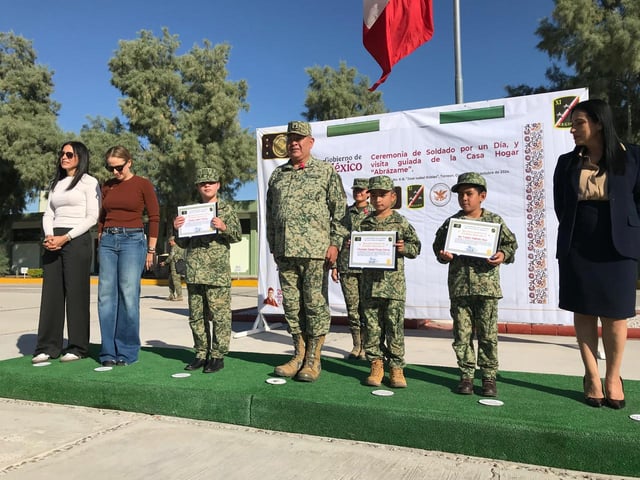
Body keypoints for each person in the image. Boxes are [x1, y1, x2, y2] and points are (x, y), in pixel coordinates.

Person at [553, 99, 640, 409]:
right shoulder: (566, 163)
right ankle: (591, 376)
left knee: (617, 315)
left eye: (579, 123)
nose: (573, 129)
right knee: (584, 309)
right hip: (579, 243)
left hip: (619, 244)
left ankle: (614, 377)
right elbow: (561, 205)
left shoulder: (632, 157)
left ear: (599, 123)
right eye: (572, 124)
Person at [266, 120, 347, 382]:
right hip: (286, 252)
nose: (294, 143)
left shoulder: (325, 171)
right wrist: (274, 247)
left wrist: (335, 242)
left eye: (300, 138)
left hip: (315, 252)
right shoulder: (278, 175)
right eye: (291, 139)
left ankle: (313, 359)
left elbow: (340, 213)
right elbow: (270, 216)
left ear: (310, 142)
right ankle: (297, 354)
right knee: (291, 307)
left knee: (314, 306)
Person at [432, 172, 517, 397]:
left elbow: (511, 244)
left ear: (482, 196)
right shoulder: (452, 223)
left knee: (488, 335)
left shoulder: (494, 222)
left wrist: (503, 254)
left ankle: (488, 378)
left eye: (469, 194)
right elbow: (438, 247)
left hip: (486, 288)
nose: (464, 199)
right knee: (462, 335)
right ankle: (466, 376)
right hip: (460, 287)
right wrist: (444, 256)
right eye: (460, 195)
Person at [32, 142, 100, 364]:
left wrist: (66, 237)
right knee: (51, 294)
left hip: (76, 240)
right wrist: (50, 236)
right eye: (62, 153)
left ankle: (78, 347)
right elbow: (48, 214)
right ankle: (47, 347)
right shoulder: (57, 184)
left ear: (80, 157)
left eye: (69, 154)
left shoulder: (90, 182)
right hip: (53, 240)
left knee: (76, 294)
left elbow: (92, 217)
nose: (64, 157)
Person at [173, 167, 241, 373]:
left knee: (220, 317)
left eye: (211, 182)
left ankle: (218, 356)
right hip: (195, 271)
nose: (207, 185)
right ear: (198, 187)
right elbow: (182, 244)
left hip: (217, 272)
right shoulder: (189, 212)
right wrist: (177, 230)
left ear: (218, 185)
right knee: (196, 316)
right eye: (203, 183)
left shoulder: (226, 209)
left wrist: (224, 227)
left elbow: (237, 236)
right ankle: (201, 354)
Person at [97, 145, 160, 367]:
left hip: (133, 241)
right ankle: (107, 352)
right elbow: (102, 216)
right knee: (105, 297)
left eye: (119, 167)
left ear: (129, 162)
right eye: (110, 168)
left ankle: (127, 351)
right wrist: (100, 237)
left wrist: (151, 250)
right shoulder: (107, 186)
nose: (115, 172)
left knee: (128, 295)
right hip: (107, 241)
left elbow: (154, 217)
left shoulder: (143, 184)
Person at [360, 176, 421, 388]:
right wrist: (354, 248)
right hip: (369, 286)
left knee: (394, 328)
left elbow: (416, 247)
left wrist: (405, 249)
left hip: (393, 287)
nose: (378, 199)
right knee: (372, 328)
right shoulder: (364, 223)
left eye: (382, 195)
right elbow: (357, 251)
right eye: (374, 195)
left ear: (393, 197)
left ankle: (396, 368)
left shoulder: (401, 222)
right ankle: (376, 365)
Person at [331, 178, 371, 359]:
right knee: (352, 308)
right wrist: (334, 266)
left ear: (368, 193)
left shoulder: (374, 213)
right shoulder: (345, 214)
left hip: (368, 267)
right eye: (356, 190)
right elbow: (337, 237)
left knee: (367, 308)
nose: (358, 194)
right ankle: (357, 345)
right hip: (347, 266)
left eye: (362, 191)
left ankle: (369, 346)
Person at [160, 236, 184, 301]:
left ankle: (180, 296)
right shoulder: (179, 246)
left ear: (172, 241)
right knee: (170, 281)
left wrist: (164, 263)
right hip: (174, 267)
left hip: (175, 267)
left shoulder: (175, 247)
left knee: (176, 281)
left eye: (169, 242)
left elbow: (171, 257)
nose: (169, 243)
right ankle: (171, 295)